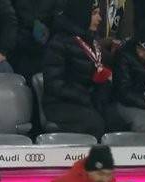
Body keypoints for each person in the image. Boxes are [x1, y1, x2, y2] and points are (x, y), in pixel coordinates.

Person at [41, 0, 121, 138]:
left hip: (88, 101)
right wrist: (84, 96)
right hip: (61, 104)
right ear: (81, 15)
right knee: (95, 124)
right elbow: (54, 84)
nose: (99, 18)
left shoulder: (92, 40)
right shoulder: (58, 44)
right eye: (94, 14)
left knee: (116, 121)